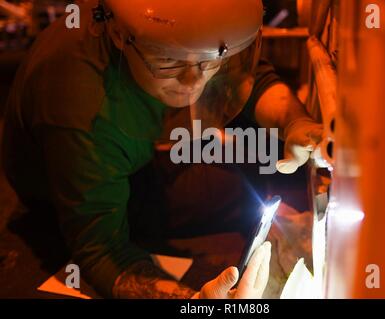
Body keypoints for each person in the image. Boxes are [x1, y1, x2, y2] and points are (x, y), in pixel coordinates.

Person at [1, 0, 322, 298]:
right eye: (169, 61)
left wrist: (295, 124)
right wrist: (192, 301)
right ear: (116, 34)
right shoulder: (80, 105)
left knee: (244, 185)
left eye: (212, 58)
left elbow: (248, 78)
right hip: (73, 181)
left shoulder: (178, 45)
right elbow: (103, 252)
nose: (194, 80)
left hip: (133, 147)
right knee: (230, 191)